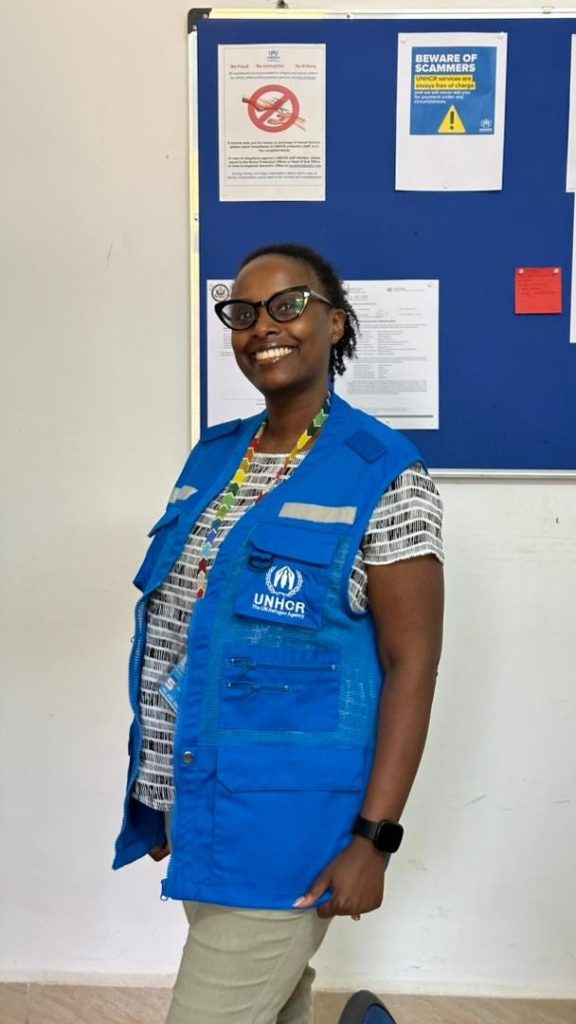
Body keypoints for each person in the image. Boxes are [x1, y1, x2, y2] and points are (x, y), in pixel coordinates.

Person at [113, 243, 444, 1024]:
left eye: (289, 304)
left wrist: (375, 839)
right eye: (243, 311)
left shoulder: (385, 473)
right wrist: (164, 794)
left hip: (290, 827)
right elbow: (186, 630)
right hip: (201, 802)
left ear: (335, 322)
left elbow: (413, 662)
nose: (264, 326)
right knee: (270, 1002)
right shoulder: (214, 456)